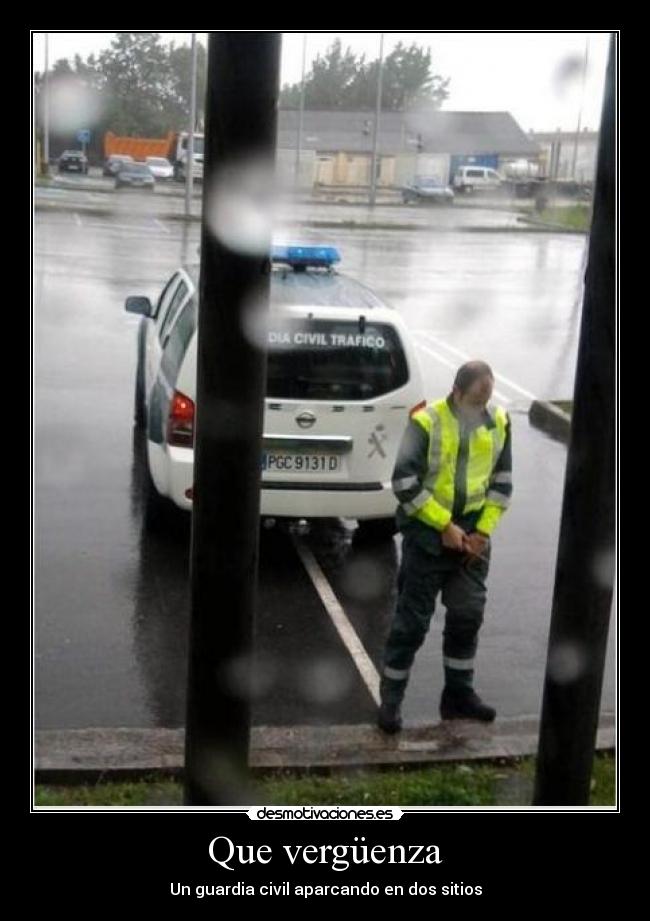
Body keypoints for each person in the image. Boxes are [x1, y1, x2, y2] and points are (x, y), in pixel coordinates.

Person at [377, 360, 513, 733]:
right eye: (473, 400)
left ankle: (458, 697)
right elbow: (404, 483)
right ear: (456, 392)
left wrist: (481, 534)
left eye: (484, 400)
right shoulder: (427, 422)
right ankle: (390, 701)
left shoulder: (498, 422)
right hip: (428, 538)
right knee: (411, 625)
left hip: (472, 541)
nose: (479, 408)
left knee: (467, 617)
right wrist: (444, 525)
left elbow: (502, 485)